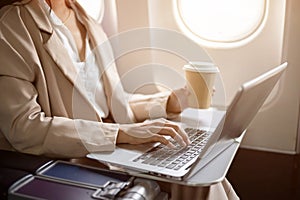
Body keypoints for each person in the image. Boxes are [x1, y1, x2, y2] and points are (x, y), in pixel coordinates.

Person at [0, 0, 239, 199]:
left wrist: (168, 103)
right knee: (193, 182)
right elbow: (24, 127)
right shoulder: (13, 26)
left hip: (108, 149)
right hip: (68, 159)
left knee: (198, 172)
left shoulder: (88, 22)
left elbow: (110, 103)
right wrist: (122, 134)